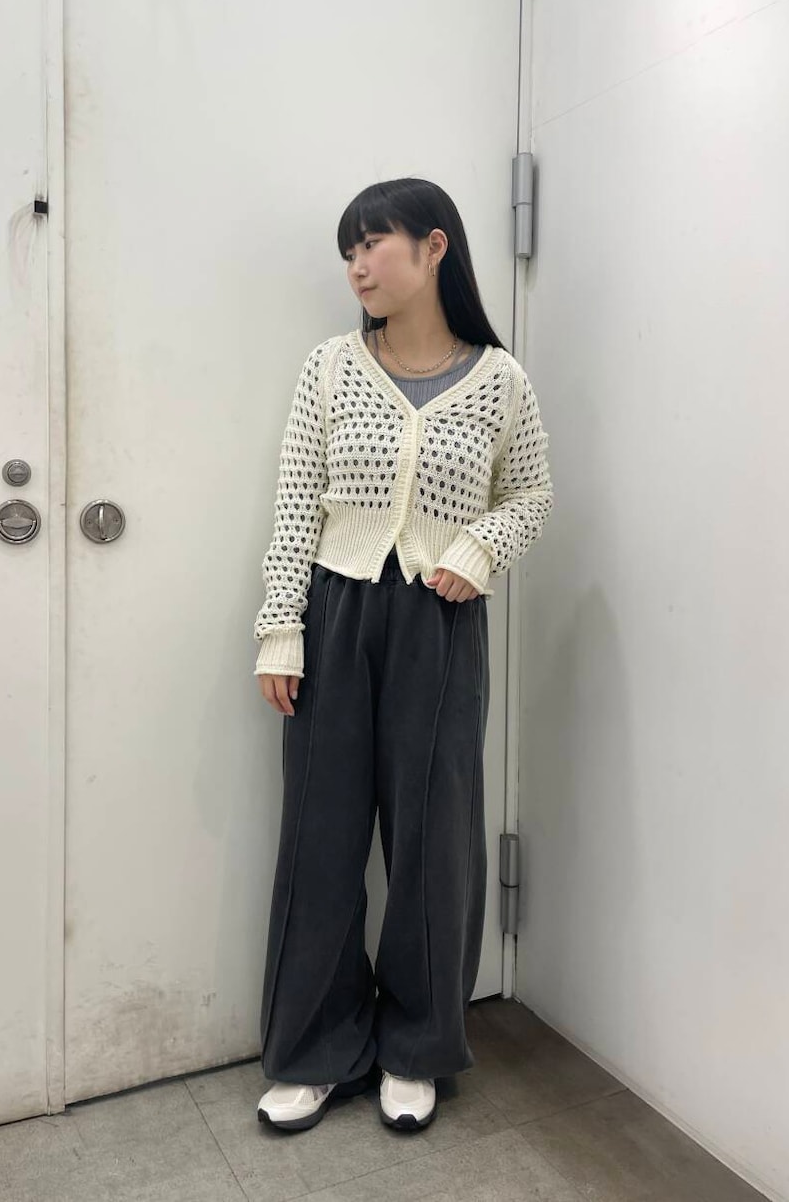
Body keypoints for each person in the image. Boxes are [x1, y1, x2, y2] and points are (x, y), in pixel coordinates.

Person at [252, 177, 553, 1133]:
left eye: (370, 244)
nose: (356, 265)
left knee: (434, 839)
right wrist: (280, 627)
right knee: (321, 834)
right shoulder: (331, 368)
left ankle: (418, 1046)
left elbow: (532, 494)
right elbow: (297, 502)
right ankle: (315, 1048)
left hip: (442, 621)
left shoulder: (499, 379)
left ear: (433, 247)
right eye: (347, 251)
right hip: (336, 612)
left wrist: (478, 549)